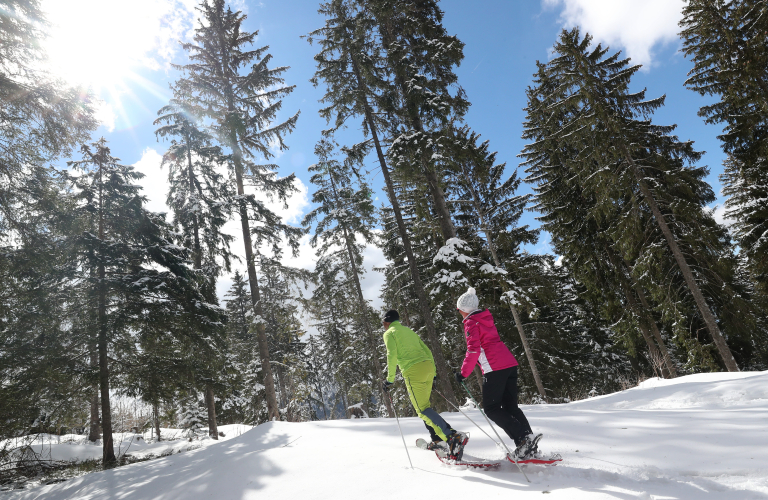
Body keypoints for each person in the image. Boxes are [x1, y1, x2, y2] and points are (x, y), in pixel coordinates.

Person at [454, 287, 542, 460]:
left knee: (492, 409)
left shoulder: (471, 322)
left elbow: (473, 350)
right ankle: (528, 443)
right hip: (509, 363)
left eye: (459, 310)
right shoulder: (485, 318)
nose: (460, 314)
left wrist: (464, 374)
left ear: (464, 310)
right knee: (510, 407)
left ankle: (524, 441)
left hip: (495, 367)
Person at [381, 309, 468, 459]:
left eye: (383, 322)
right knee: (426, 407)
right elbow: (427, 351)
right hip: (427, 367)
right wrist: (433, 374)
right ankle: (437, 440)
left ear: (387, 322)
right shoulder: (409, 331)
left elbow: (391, 355)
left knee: (422, 410)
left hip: (413, 371)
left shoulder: (389, 333)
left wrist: (390, 379)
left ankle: (452, 436)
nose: (383, 325)